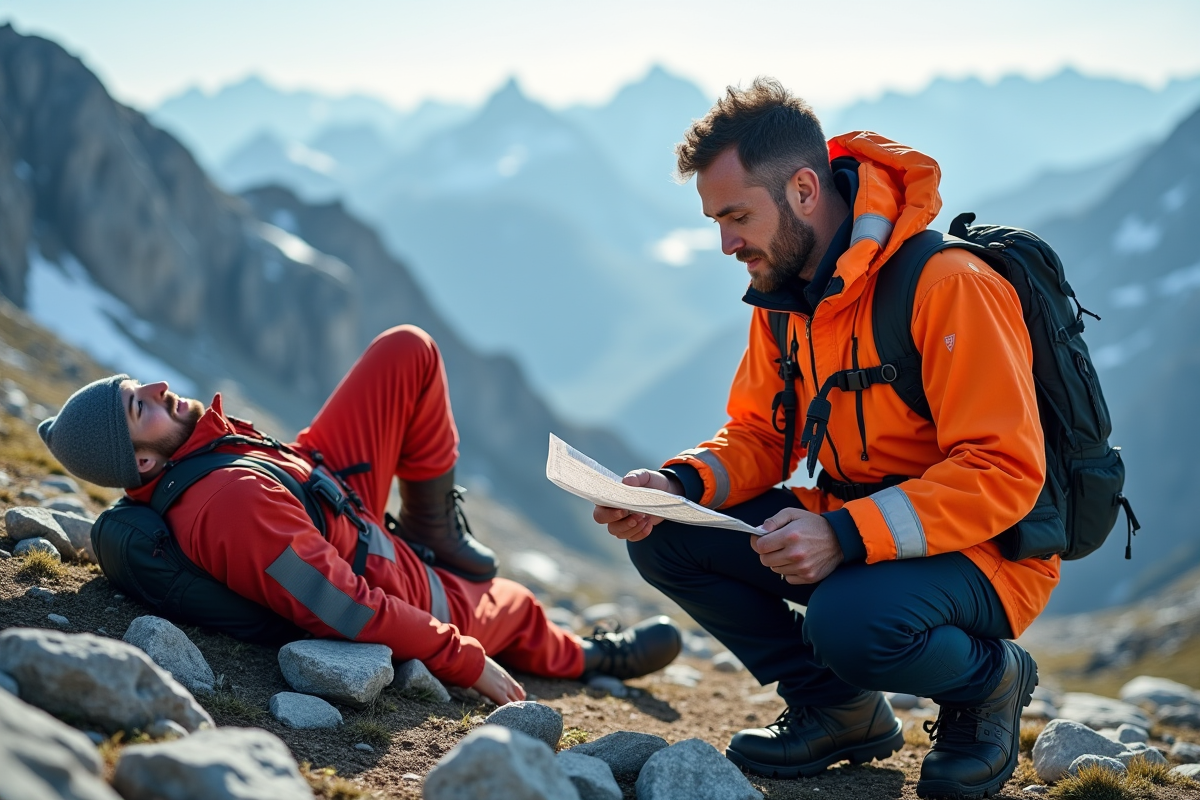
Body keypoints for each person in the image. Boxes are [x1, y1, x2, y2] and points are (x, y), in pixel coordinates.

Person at [594, 79, 1051, 800]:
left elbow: (1004, 471)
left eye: (737, 216)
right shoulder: (785, 295)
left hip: (982, 554)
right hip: (847, 530)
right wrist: (678, 487)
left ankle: (989, 684)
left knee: (849, 624)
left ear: (804, 188)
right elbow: (758, 434)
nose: (725, 243)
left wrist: (842, 534)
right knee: (663, 533)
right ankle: (839, 710)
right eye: (716, 220)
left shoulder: (949, 285)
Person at [38, 325, 681, 705]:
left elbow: (279, 488)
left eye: (135, 387)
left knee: (407, 350)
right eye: (137, 409)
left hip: (321, 492)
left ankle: (434, 526)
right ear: (143, 465)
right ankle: (590, 657)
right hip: (383, 570)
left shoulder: (206, 454)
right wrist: (457, 653)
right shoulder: (227, 505)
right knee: (514, 603)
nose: (153, 390)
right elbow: (345, 605)